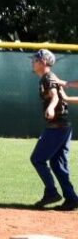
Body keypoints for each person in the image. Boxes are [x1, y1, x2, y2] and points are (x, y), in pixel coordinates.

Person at [29, 49, 77, 210]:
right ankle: (71, 199)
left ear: (43, 62)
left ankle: (51, 192)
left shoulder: (47, 78)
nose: (32, 62)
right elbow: (60, 96)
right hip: (63, 127)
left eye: (35, 60)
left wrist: (50, 108)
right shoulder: (48, 77)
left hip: (57, 127)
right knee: (57, 164)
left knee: (37, 159)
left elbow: (55, 96)